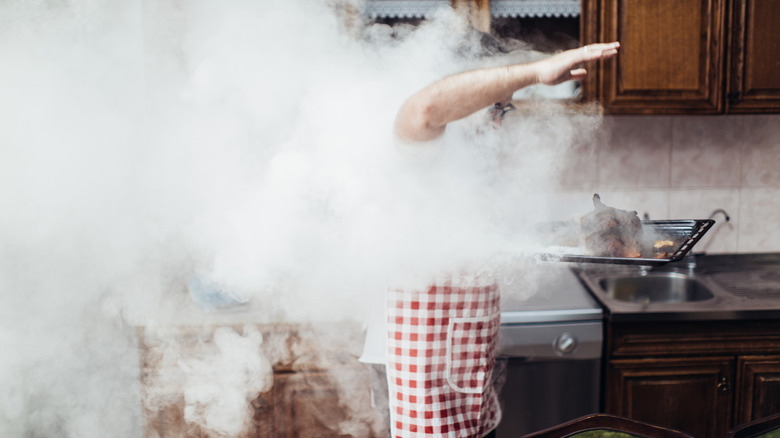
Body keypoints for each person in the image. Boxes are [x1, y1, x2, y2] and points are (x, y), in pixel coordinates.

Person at [362, 41, 620, 438]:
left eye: (505, 110)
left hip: (460, 371)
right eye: (494, 106)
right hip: (420, 377)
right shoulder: (422, 147)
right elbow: (424, 109)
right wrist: (536, 71)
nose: (499, 122)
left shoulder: (471, 161)